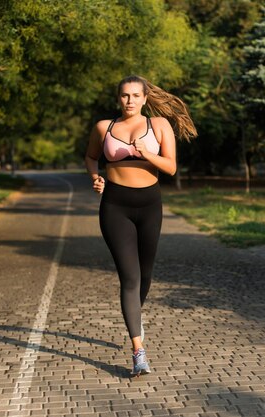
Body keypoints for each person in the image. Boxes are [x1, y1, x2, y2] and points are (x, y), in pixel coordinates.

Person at [85, 75, 197, 376]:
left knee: (145, 276)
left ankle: (135, 314)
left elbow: (171, 167)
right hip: (115, 207)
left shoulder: (158, 125)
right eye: (124, 95)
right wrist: (95, 178)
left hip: (150, 206)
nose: (130, 101)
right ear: (117, 98)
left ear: (145, 99)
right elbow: (91, 157)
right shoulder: (104, 128)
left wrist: (146, 153)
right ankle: (139, 352)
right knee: (130, 279)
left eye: (135, 95)